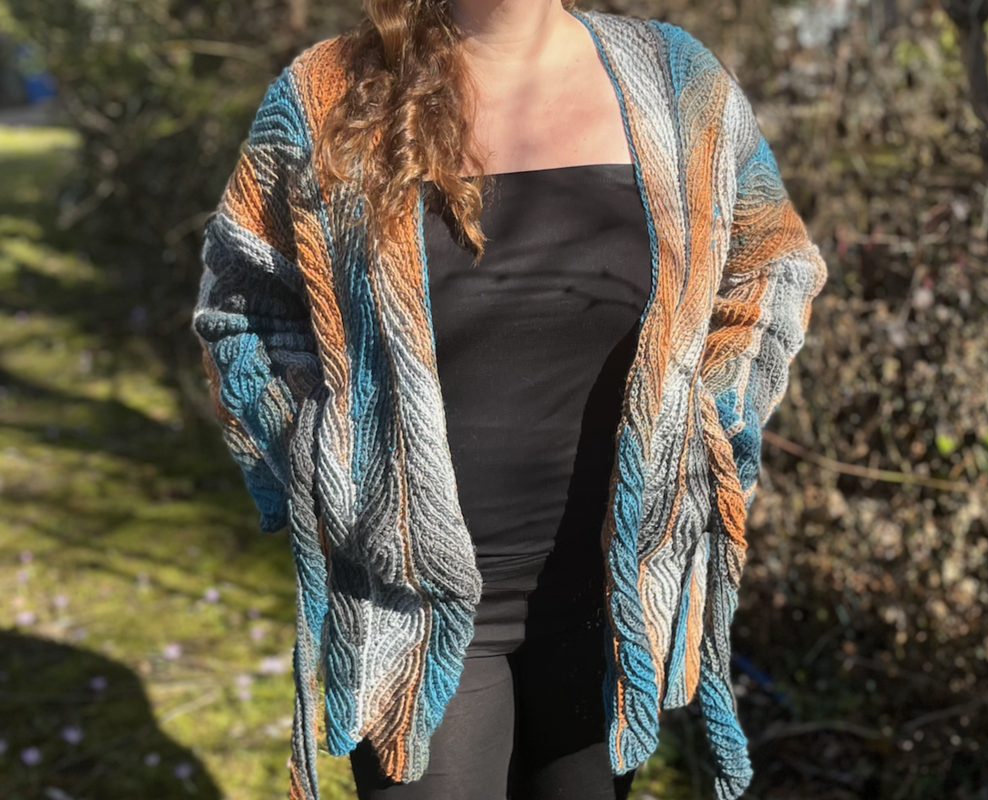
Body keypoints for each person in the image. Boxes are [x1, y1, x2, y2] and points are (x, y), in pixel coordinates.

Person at [190, 2, 828, 800]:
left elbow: (771, 269)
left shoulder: (676, 80)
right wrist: (325, 464)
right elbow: (241, 308)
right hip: (408, 605)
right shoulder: (329, 91)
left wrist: (709, 425)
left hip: (611, 602)